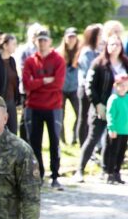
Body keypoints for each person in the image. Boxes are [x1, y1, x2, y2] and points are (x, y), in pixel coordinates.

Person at [77, 31, 127, 180]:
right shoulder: (99, 63)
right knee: (93, 138)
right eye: (111, 44)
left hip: (120, 109)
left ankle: (109, 171)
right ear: (106, 46)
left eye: (117, 44)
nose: (115, 47)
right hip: (102, 107)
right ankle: (80, 170)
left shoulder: (125, 63)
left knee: (115, 141)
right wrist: (97, 103)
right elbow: (89, 86)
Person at [23, 29, 66, 190]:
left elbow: (58, 83)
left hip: (53, 107)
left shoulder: (58, 60)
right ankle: (38, 175)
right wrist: (45, 80)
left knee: (54, 142)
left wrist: (37, 82)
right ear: (35, 42)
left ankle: (55, 176)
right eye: (39, 40)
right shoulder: (30, 61)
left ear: (50, 42)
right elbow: (27, 84)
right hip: (33, 106)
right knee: (35, 143)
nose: (42, 43)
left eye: (44, 40)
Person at [74, 25, 103, 155]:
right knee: (83, 117)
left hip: (93, 88)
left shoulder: (96, 51)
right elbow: (88, 72)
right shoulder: (87, 52)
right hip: (85, 88)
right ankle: (83, 147)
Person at [103, 74, 128, 184]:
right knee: (113, 152)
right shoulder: (113, 99)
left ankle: (117, 172)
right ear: (115, 86)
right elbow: (110, 115)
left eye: (126, 85)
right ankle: (109, 173)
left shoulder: (127, 98)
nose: (123, 87)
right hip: (115, 131)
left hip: (125, 130)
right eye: (121, 85)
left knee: (121, 153)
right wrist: (111, 128)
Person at [60, 28, 81, 144]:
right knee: (60, 115)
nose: (71, 39)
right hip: (61, 89)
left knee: (79, 113)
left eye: (73, 37)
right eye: (69, 37)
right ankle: (62, 138)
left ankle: (75, 136)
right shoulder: (59, 52)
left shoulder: (81, 52)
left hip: (75, 88)